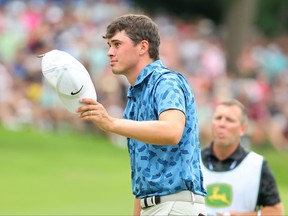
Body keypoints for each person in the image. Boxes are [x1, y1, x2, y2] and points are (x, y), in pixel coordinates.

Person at [76, 14, 207, 216]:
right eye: (109, 45)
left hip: (175, 206)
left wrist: (111, 123)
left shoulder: (165, 81)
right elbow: (145, 175)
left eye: (117, 44)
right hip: (156, 206)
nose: (110, 52)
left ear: (143, 47)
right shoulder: (137, 93)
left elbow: (172, 131)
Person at [200, 99, 285, 216]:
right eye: (218, 118)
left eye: (229, 120)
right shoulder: (193, 161)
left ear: (243, 129)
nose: (222, 124)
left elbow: (276, 211)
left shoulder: (257, 164)